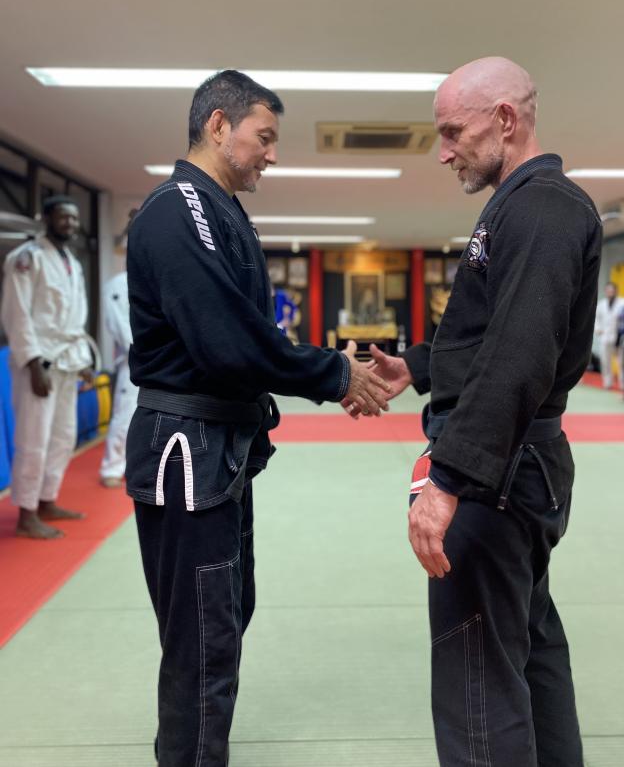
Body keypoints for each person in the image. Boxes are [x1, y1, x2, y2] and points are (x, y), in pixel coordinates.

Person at [125, 69, 390, 767]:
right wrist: (335, 374)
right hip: (187, 447)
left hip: (219, 445)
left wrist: (325, 370)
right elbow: (227, 339)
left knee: (224, 617)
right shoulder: (178, 210)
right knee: (202, 639)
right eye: (264, 136)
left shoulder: (219, 210)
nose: (272, 154)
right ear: (219, 124)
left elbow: (244, 334)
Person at [352, 57, 601, 766]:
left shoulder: (543, 208)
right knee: (526, 647)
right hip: (513, 469)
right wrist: (420, 365)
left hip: (497, 475)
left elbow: (521, 352)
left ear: (505, 120)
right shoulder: (521, 205)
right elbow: (492, 332)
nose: (444, 151)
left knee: (478, 680)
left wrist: (451, 479)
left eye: (452, 132)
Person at [1, 196, 94, 539]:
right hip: (38, 361)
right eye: (62, 217)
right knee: (34, 438)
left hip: (68, 359)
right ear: (46, 218)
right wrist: (32, 363)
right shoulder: (27, 258)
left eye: (74, 218)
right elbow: (17, 314)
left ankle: (46, 500)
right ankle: (26, 513)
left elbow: (76, 317)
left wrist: (83, 361)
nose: (69, 223)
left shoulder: (72, 261)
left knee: (63, 436)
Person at [99, 264, 138, 486]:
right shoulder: (118, 284)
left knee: (143, 416)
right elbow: (118, 324)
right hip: (132, 360)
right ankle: (112, 467)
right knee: (124, 414)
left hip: (154, 361)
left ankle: (133, 464)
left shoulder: (152, 280)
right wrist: (137, 350)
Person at [594, 281, 624, 390]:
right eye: (608, 291)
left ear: (616, 291)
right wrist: (598, 329)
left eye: (612, 291)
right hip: (605, 336)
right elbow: (596, 318)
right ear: (605, 291)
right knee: (605, 361)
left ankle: (623, 383)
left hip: (619, 337)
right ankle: (607, 382)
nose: (610, 293)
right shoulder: (601, 304)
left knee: (621, 362)